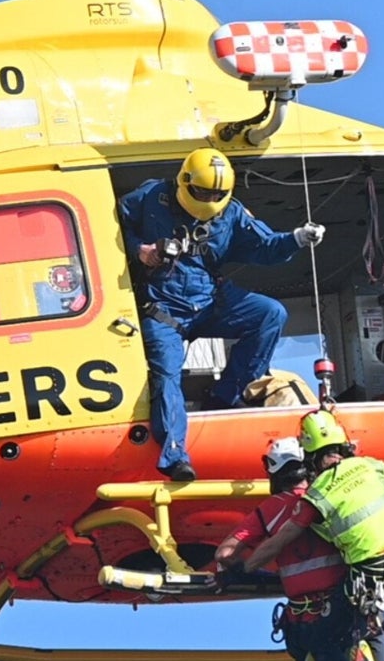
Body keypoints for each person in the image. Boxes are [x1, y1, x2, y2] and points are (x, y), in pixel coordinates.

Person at [118, 148, 324, 481]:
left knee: (269, 314)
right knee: (168, 377)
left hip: (210, 300)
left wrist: (297, 239)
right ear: (185, 182)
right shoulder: (152, 195)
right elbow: (109, 222)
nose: (210, 198)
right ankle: (174, 457)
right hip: (162, 308)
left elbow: (265, 246)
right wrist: (140, 250)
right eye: (203, 192)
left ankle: (226, 397)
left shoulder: (231, 213)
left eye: (217, 194)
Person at [214, 438, 382, 661]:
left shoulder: (270, 511)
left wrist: (243, 571)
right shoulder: (328, 497)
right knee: (323, 655)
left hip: (308, 612)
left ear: (272, 472)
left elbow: (224, 554)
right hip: (339, 606)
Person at [297, 409, 384, 638]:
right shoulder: (368, 465)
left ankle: (359, 644)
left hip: (370, 568)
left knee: (333, 627)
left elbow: (297, 526)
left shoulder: (317, 492)